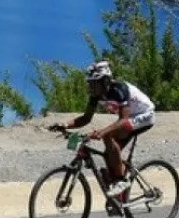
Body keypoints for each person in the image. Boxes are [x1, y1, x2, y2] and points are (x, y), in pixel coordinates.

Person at [49, 60, 156, 199]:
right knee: (109, 154)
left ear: (105, 81)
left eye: (94, 83)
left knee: (108, 136)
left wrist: (102, 132)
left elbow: (123, 119)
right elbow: (86, 118)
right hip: (130, 118)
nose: (91, 87)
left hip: (145, 115)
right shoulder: (96, 95)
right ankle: (120, 194)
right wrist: (65, 125)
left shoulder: (119, 89)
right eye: (90, 83)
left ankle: (121, 181)